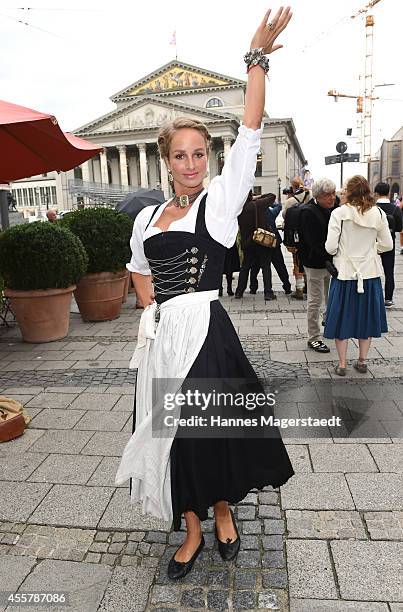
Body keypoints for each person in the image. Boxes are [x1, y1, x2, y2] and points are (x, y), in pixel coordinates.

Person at [115, 7, 294, 581]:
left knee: (209, 429)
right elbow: (138, 269)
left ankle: (223, 512)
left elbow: (248, 130)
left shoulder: (215, 208)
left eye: (198, 154)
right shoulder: (147, 218)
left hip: (206, 333)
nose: (190, 164)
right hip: (164, 339)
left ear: (206, 159)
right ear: (166, 162)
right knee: (176, 438)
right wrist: (148, 306)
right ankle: (191, 527)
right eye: (180, 156)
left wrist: (255, 60)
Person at [324, 176, 393, 375]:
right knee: (366, 319)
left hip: (345, 275)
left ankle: (343, 364)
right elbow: (387, 245)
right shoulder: (378, 213)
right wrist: (372, 249)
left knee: (340, 319)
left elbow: (330, 247)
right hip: (369, 275)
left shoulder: (339, 213)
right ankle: (362, 361)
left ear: (349, 191)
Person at [299, 178, 337, 353]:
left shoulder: (332, 210)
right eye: (327, 195)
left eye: (333, 193)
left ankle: (328, 320)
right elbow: (313, 242)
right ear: (318, 196)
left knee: (331, 298)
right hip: (314, 263)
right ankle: (313, 337)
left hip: (330, 262)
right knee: (315, 300)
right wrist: (327, 258)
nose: (332, 198)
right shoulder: (309, 212)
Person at [235, 191, 278, 300]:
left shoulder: (238, 208)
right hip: (260, 241)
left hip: (247, 242)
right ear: (251, 195)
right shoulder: (257, 204)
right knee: (265, 267)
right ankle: (268, 293)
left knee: (245, 267)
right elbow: (272, 196)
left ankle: (239, 292)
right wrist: (257, 197)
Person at [249, 197, 291, 295]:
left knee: (256, 266)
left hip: (259, 243)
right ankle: (287, 286)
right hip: (273, 242)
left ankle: (253, 287)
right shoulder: (270, 212)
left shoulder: (254, 212)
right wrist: (268, 203)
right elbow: (278, 206)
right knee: (280, 265)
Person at [374, 182, 403, 307]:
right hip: (389, 243)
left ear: (376, 193)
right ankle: (388, 299)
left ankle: (373, 297)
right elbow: (400, 227)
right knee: (389, 271)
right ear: (388, 193)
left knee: (372, 270)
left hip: (373, 244)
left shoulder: (372, 208)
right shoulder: (395, 209)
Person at [283, 176, 311, 299]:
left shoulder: (290, 201)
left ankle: (299, 288)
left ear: (293, 187)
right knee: (307, 260)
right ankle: (308, 287)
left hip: (295, 236)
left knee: (297, 261)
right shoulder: (310, 197)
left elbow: (285, 216)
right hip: (309, 235)